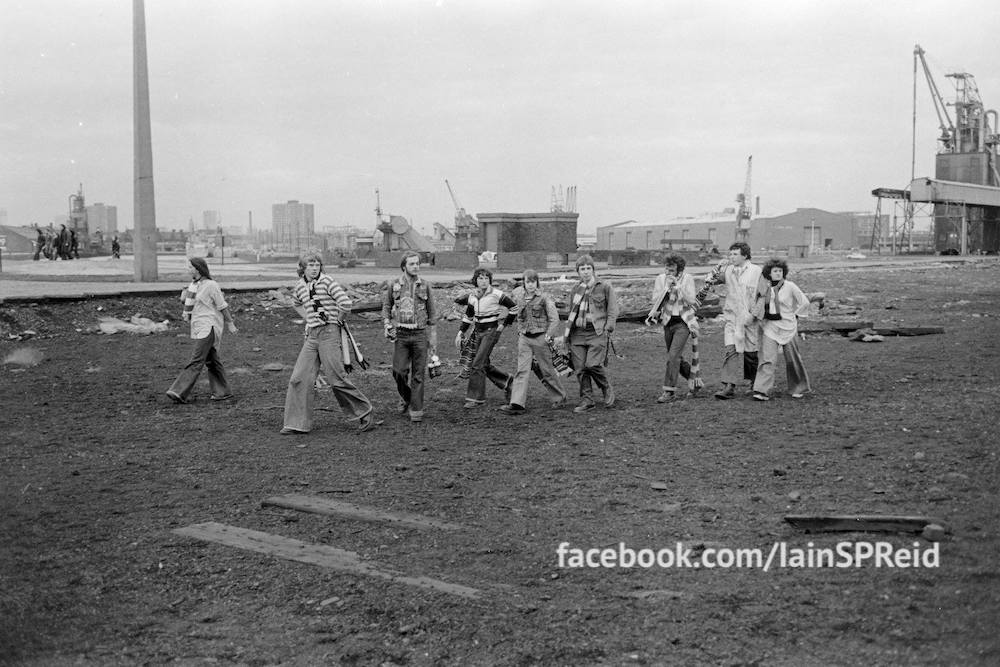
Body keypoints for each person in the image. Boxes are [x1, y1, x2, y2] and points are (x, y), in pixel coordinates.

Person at [282, 250, 377, 434]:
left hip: (329, 333)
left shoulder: (327, 281)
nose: (314, 268)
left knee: (336, 379)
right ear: (303, 268)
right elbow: (296, 302)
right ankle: (296, 423)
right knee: (298, 378)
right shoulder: (301, 286)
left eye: (317, 265)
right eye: (310, 265)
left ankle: (365, 412)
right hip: (312, 336)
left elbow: (346, 303)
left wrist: (337, 321)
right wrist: (309, 319)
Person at [166, 257, 237, 403]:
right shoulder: (193, 285)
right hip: (199, 326)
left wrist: (230, 323)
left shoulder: (211, 285)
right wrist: (183, 298)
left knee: (196, 359)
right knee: (212, 361)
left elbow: (222, 306)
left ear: (197, 269)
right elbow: (191, 304)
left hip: (209, 326)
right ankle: (223, 392)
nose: (188, 269)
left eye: (190, 267)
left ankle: (178, 391)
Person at [699, 242, 763, 400]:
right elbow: (710, 280)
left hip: (749, 317)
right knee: (731, 350)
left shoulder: (756, 271)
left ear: (745, 255)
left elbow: (763, 294)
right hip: (732, 316)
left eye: (735, 254)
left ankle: (753, 382)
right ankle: (729, 386)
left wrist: (754, 314)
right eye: (730, 254)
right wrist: (718, 267)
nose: (731, 257)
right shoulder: (728, 271)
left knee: (751, 353)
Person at [500, 269, 567, 414]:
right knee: (522, 370)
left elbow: (554, 319)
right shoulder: (519, 297)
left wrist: (548, 335)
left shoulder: (544, 298)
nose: (530, 285)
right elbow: (518, 315)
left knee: (547, 370)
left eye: (533, 281)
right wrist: (520, 330)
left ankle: (559, 398)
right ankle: (517, 403)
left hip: (540, 338)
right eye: (527, 282)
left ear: (537, 282)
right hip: (524, 338)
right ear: (524, 283)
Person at [382, 251, 438, 423]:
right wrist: (387, 324)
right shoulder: (393, 285)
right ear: (404, 266)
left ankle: (416, 409)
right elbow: (386, 306)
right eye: (412, 264)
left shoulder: (425, 285)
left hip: (420, 335)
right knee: (398, 372)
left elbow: (432, 314)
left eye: (417, 263)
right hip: (401, 335)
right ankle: (407, 397)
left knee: (418, 374)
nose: (416, 267)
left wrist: (433, 339)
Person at [563, 254, 619, 413]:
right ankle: (587, 400)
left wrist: (609, 326)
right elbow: (571, 313)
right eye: (582, 269)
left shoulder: (604, 287)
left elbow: (613, 310)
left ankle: (606, 388)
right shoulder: (575, 289)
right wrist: (566, 335)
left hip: (597, 331)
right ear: (578, 272)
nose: (586, 272)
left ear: (593, 270)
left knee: (592, 364)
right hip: (578, 333)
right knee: (580, 368)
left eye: (588, 268)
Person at [454, 268, 517, 409]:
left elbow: (514, 308)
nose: (483, 281)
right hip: (477, 331)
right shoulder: (472, 296)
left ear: (490, 280)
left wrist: (504, 325)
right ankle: (508, 381)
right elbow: (469, 316)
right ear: (475, 280)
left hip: (491, 332)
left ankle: (475, 398)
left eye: (486, 278)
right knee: (482, 363)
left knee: (476, 364)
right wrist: (460, 332)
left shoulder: (497, 294)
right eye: (480, 278)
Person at [645, 253, 703, 403]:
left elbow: (691, 300)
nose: (668, 272)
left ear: (679, 269)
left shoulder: (687, 278)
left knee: (673, 356)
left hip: (683, 322)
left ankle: (669, 391)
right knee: (676, 357)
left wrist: (678, 288)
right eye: (666, 269)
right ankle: (694, 381)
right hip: (668, 321)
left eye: (672, 270)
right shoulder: (660, 279)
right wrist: (666, 288)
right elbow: (655, 301)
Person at [751, 258, 812, 401]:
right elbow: (757, 304)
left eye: (780, 271)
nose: (778, 273)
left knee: (793, 359)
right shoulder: (764, 288)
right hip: (770, 327)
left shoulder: (790, 286)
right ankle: (761, 390)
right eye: (775, 271)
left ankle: (798, 387)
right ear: (769, 273)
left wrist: (796, 315)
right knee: (767, 359)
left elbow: (804, 302)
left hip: (788, 327)